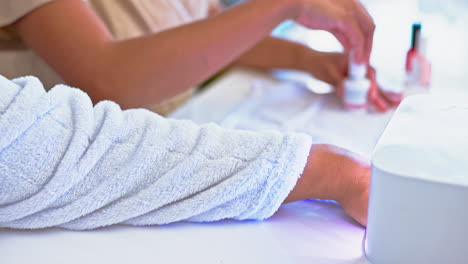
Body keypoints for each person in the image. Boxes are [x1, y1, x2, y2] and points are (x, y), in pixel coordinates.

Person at [0, 0, 388, 230]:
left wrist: (311, 60)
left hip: (182, 143)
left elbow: (216, 35)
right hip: (94, 186)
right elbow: (109, 79)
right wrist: (283, 5)